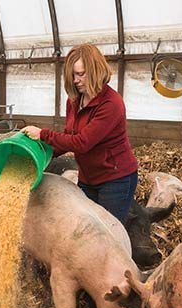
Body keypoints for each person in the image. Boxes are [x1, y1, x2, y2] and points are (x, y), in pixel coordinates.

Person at [22, 43, 138, 225]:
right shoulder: (75, 100)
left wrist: (43, 134)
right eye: (73, 75)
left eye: (81, 74)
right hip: (87, 176)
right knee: (86, 227)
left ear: (96, 71)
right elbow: (68, 136)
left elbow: (82, 142)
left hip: (115, 179)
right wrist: (38, 155)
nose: (76, 80)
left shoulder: (111, 104)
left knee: (109, 231)